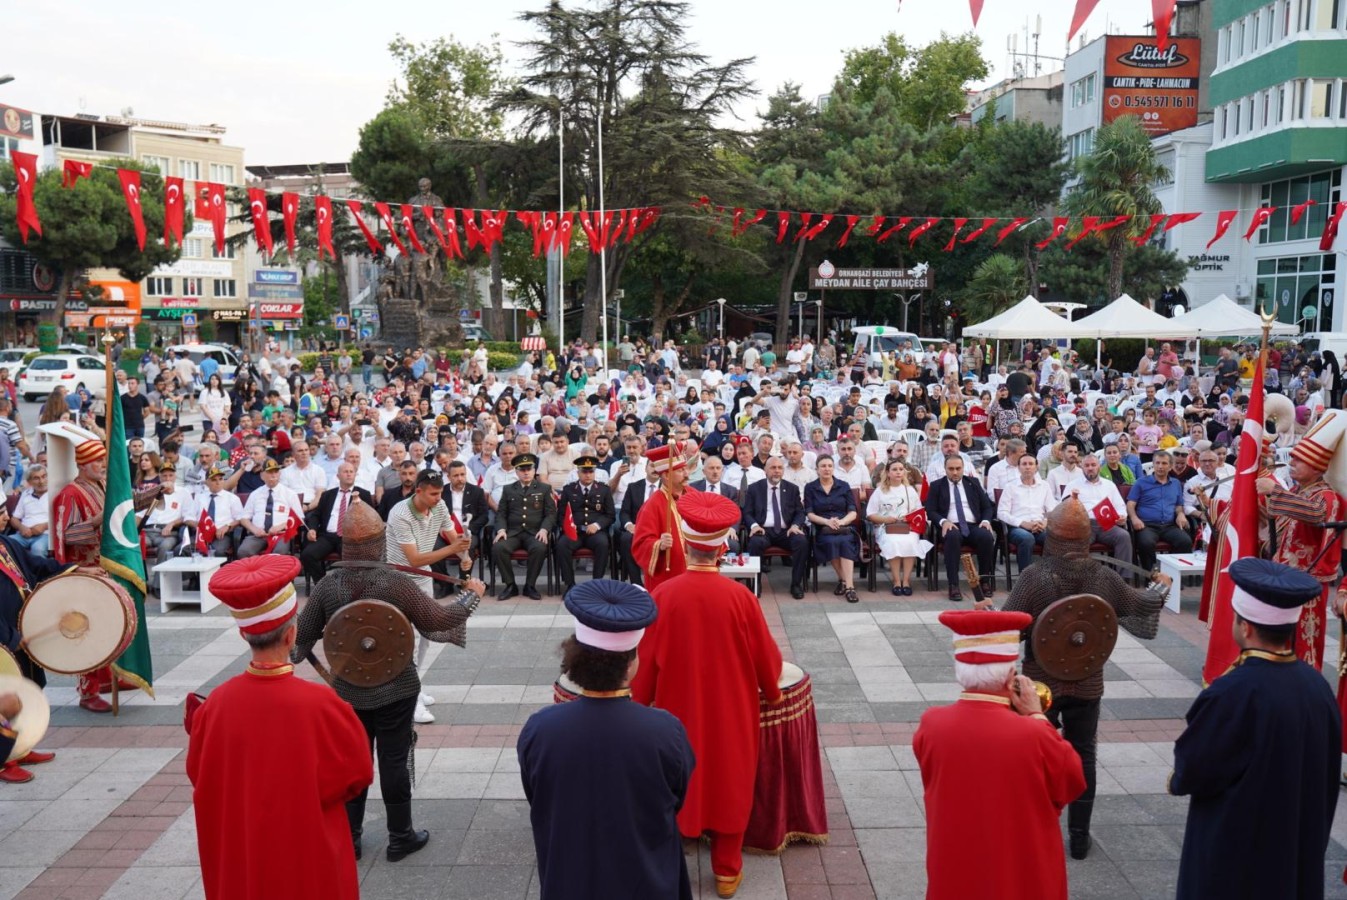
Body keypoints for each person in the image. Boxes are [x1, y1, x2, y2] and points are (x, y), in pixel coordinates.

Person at [294, 499, 485, 863]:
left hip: (349, 690)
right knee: (394, 761)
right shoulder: (394, 582)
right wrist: (472, 597)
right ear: (379, 543)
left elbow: (299, 644)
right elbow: (440, 620)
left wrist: (323, 664)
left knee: (352, 761)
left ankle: (350, 839)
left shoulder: (328, 586)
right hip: (396, 686)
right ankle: (401, 837)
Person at [186, 555, 373, 899]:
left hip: (246, 852)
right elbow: (356, 775)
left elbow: (201, 775)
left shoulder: (215, 705)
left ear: (245, 634)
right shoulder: (324, 705)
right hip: (306, 850)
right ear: (291, 636)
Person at [633, 491, 783, 899]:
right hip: (732, 709)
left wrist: (637, 701)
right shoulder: (741, 598)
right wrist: (772, 692)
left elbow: (645, 664)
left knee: (676, 779)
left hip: (676, 710)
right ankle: (726, 870)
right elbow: (766, 658)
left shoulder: (663, 596)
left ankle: (672, 860)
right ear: (722, 546)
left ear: (686, 540)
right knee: (730, 776)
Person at [1000, 498, 1168, 859]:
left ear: (1053, 537)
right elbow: (1141, 605)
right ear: (1085, 538)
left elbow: (1008, 626)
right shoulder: (1103, 577)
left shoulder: (1035, 577)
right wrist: (1160, 588)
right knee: (1083, 755)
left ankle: (1033, 832)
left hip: (1040, 684)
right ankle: (1079, 837)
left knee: (1032, 756)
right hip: (1087, 679)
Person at [1171, 558, 1341, 899]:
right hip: (1294, 851)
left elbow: (1191, 771)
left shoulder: (1231, 692)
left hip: (1236, 859)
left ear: (1245, 628)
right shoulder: (1318, 687)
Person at [518, 580, 695, 900]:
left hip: (569, 881)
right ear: (631, 664)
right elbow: (676, 798)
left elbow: (539, 797)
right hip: (646, 882)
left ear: (575, 657)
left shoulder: (540, 729)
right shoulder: (665, 732)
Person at [914, 610, 1085, 900]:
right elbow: (1072, 782)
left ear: (960, 672)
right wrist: (1036, 715)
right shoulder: (1034, 735)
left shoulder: (932, 724)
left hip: (956, 865)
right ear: (1010, 676)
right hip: (1021, 871)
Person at [52, 438, 157, 712]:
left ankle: (108, 677)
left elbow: (119, 512)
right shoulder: (70, 494)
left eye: (103, 459)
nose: (102, 465)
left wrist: (151, 496)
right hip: (84, 573)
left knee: (110, 627)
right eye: (97, 460)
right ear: (83, 464)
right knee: (87, 631)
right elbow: (69, 535)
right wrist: (100, 519)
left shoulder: (100, 486)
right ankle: (87, 692)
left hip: (107, 569)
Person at [1256, 419, 1346, 671]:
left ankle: (1305, 684)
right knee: (1283, 635)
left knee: (1306, 637)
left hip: (1307, 581)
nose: (1291, 463)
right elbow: (1282, 519)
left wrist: (1275, 491)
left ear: (1317, 467)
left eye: (1298, 460)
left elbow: (1316, 514)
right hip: (1286, 577)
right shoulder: (1301, 490)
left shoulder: (1326, 495)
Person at [0, 502, 71, 783]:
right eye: (1, 511)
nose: (6, 515)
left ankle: (22, 746)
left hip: (22, 630)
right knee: (6, 698)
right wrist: (11, 638)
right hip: (6, 642)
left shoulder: (6, 543)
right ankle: (5, 760)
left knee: (31, 687)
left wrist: (74, 569)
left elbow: (36, 566)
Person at [925, 455, 997, 601]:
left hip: (972, 525)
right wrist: (943, 521)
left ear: (963, 468)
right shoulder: (937, 485)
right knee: (952, 537)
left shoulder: (973, 483)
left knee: (986, 537)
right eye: (951, 469)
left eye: (958, 468)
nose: (955, 472)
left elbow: (987, 507)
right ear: (945, 470)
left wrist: (985, 521)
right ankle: (953, 584)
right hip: (950, 525)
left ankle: (984, 581)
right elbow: (930, 510)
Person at [491, 454, 556, 600]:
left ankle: (530, 586)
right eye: (522, 470)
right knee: (498, 548)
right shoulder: (508, 489)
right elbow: (501, 513)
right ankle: (510, 585)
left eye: (529, 469)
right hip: (513, 532)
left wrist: (544, 529)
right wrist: (501, 529)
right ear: (516, 471)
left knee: (539, 548)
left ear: (534, 471)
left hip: (535, 532)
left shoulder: (544, 488)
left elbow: (551, 514)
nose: (526, 472)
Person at [631, 442, 693, 594]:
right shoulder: (651, 506)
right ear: (666, 475)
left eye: (686, 469)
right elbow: (640, 545)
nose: (687, 474)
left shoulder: (694, 495)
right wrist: (659, 545)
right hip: (667, 578)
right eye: (681, 470)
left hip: (693, 573)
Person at [300, 462, 373, 585]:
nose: (349, 474)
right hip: (327, 536)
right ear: (338, 476)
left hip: (349, 537)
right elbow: (316, 515)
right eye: (345, 472)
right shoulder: (328, 494)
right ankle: (323, 585)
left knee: (353, 560)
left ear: (355, 475)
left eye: (351, 472)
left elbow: (370, 518)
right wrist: (312, 529)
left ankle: (350, 587)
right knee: (307, 555)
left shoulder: (363, 494)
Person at [867, 461, 932, 596]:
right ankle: (896, 581)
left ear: (904, 472)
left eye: (901, 469)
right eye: (894, 469)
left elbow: (919, 511)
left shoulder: (910, 491)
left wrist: (908, 518)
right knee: (893, 542)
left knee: (910, 541)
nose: (898, 472)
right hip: (886, 527)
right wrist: (886, 519)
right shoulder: (880, 491)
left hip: (907, 527)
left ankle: (906, 580)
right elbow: (870, 514)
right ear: (888, 473)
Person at [555, 455, 616, 592]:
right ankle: (570, 584)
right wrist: (569, 527)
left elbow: (610, 515)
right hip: (574, 532)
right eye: (584, 471)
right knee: (562, 545)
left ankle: (597, 584)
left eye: (591, 471)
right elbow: (561, 514)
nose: (588, 475)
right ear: (578, 473)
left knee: (603, 544)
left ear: (595, 472)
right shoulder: (568, 490)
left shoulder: (603, 490)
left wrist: (597, 525)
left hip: (595, 532)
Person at [804, 456, 860, 602]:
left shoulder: (844, 485)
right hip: (823, 527)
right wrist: (827, 522)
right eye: (823, 466)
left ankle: (849, 587)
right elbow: (809, 513)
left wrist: (841, 522)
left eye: (829, 466)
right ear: (817, 469)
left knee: (845, 542)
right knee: (831, 542)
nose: (827, 469)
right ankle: (844, 581)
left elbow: (853, 512)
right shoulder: (810, 487)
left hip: (844, 526)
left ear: (833, 468)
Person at [1126, 449, 1192, 572]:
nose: (1160, 466)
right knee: (1146, 543)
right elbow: (1130, 504)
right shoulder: (1141, 482)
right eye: (1157, 463)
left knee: (1185, 541)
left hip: (1169, 526)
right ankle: (1151, 575)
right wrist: (1134, 518)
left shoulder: (1175, 483)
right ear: (1153, 464)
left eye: (1164, 463)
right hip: (1147, 525)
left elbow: (1178, 505)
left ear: (1170, 466)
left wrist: (1181, 514)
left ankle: (1174, 575)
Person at [1064, 453, 1133, 564]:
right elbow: (1064, 509)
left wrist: (1122, 516)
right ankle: (1076, 579)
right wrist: (1073, 500)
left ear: (1099, 467)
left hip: (1107, 524)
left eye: (1093, 465)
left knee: (1123, 536)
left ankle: (1122, 579)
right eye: (1086, 465)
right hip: (1084, 525)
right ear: (1082, 467)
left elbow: (1120, 506)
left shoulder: (1109, 485)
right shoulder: (1072, 485)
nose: (1090, 468)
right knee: (1075, 540)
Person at [236, 459, 303, 557]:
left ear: (279, 474)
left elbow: (299, 518)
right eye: (269, 472)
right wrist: (254, 530)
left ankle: (268, 569)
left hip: (280, 534)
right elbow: (244, 518)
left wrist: (280, 526)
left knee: (279, 553)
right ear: (262, 476)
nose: (273, 475)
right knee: (243, 551)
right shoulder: (255, 494)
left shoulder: (289, 494)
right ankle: (261, 569)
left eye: (276, 472)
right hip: (258, 535)